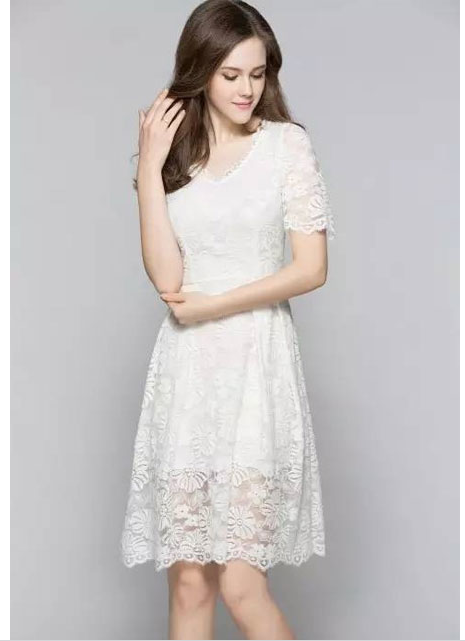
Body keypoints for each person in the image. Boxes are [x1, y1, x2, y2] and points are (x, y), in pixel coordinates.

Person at [120, 0, 335, 638]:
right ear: (201, 71)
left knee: (241, 586)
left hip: (256, 367)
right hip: (188, 376)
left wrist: (214, 305)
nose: (247, 89)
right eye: (231, 74)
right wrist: (150, 168)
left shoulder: (286, 146)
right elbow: (167, 280)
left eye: (258, 74)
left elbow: (311, 269)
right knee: (190, 584)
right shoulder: (175, 157)